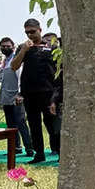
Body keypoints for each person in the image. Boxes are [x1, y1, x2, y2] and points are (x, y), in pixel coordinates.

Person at [12, 19, 60, 164]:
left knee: (52, 125)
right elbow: (14, 66)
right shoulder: (23, 47)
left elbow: (59, 69)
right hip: (30, 93)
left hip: (48, 93)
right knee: (34, 125)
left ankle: (60, 152)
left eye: (32, 31)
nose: (30, 35)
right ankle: (39, 154)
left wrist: (56, 96)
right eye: (27, 32)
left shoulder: (51, 46)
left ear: (40, 29)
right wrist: (24, 50)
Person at [0, 37, 33, 156]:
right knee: (11, 125)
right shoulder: (4, 61)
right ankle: (16, 147)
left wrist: (20, 93)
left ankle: (29, 148)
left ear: (13, 47)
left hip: (16, 97)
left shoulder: (17, 60)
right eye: (3, 46)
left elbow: (20, 77)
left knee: (21, 122)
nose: (5, 48)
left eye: (8, 46)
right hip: (6, 98)